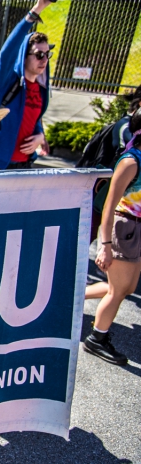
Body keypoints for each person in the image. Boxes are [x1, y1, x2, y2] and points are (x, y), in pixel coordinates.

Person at [85, 109, 141, 367]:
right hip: (125, 227)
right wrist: (104, 245)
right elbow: (109, 204)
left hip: (136, 229)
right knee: (118, 290)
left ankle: (73, 299)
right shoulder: (131, 161)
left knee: (125, 288)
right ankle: (97, 338)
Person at [0, 0, 55, 170]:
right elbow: (7, 53)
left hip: (25, 165)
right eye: (39, 55)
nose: (44, 60)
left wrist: (40, 136)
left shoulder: (41, 90)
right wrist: (35, 11)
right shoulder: (9, 82)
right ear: (24, 56)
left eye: (47, 54)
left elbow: (32, 117)